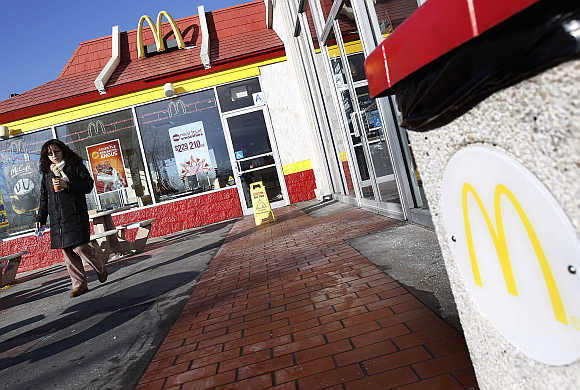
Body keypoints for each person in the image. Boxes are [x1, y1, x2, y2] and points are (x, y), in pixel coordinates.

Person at [36, 139, 107, 297]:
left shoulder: (74, 165)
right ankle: (79, 284)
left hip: (75, 214)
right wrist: (40, 218)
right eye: (50, 153)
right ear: (46, 156)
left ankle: (100, 267)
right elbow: (44, 198)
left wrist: (68, 185)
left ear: (63, 150)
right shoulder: (47, 173)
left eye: (56, 151)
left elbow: (88, 185)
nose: (53, 155)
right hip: (58, 219)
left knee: (81, 247)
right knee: (67, 251)